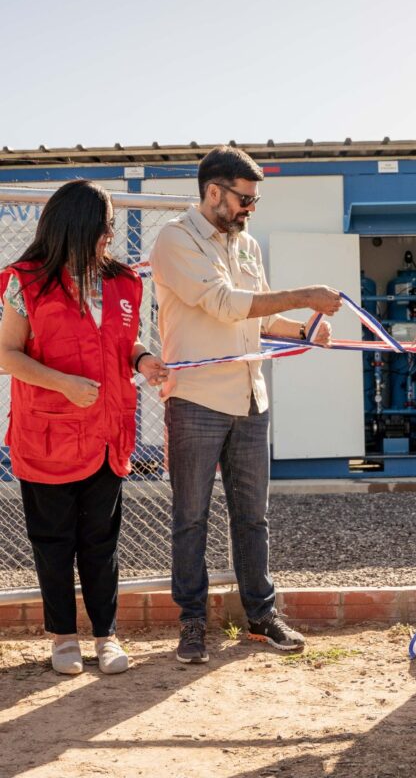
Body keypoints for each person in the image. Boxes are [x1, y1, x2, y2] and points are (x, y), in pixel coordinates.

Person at [150, 145, 342, 664]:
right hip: (195, 402)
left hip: (250, 399)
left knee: (252, 518)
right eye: (244, 199)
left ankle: (261, 617)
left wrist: (304, 329)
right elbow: (223, 303)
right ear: (213, 191)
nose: (249, 209)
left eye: (253, 200)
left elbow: (253, 321)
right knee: (190, 517)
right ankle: (193, 625)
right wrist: (303, 295)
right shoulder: (175, 239)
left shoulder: (247, 245)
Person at [0, 180, 167, 675]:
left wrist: (144, 359)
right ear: (75, 226)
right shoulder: (24, 281)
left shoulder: (123, 281)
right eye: (104, 225)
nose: (110, 234)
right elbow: (5, 354)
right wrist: (62, 384)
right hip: (47, 436)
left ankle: (105, 635)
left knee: (102, 542)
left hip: (107, 435)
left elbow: (125, 342)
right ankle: (62, 636)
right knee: (53, 542)